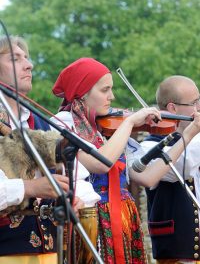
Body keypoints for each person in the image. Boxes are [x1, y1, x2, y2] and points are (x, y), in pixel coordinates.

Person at [52, 58, 200, 264]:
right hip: (89, 219)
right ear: (83, 92)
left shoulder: (110, 130)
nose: (112, 96)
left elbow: (148, 177)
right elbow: (100, 162)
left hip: (121, 219)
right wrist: (130, 122)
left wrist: (190, 133)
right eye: (105, 90)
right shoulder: (64, 123)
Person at [0, 35, 85, 264]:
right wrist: (32, 187)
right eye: (15, 59)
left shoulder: (39, 122)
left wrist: (68, 197)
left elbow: (63, 175)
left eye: (26, 58)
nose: (29, 65)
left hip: (49, 250)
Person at [133, 75, 200, 263]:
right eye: (194, 102)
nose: (199, 107)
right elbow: (183, 166)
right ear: (172, 108)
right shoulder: (148, 147)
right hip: (175, 250)